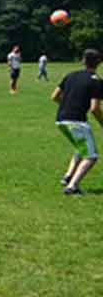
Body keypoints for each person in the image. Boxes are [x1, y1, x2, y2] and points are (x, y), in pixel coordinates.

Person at [51, 49, 103, 196]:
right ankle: (72, 187)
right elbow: (94, 109)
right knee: (91, 156)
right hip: (77, 122)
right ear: (99, 63)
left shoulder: (70, 75)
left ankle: (68, 177)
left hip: (60, 120)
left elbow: (54, 96)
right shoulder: (96, 81)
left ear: (82, 61)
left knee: (81, 148)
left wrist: (68, 107)